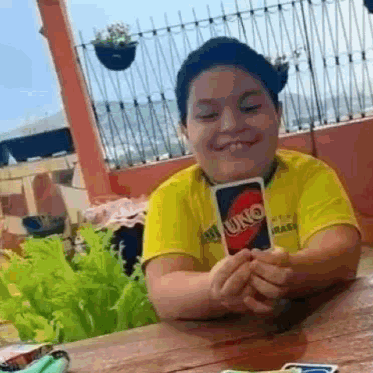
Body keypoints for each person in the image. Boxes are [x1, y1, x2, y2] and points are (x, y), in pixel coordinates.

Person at [143, 36, 361, 321]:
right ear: (185, 129)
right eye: (208, 115)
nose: (231, 125)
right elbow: (164, 291)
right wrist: (214, 289)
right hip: (216, 354)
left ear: (278, 114)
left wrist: (290, 270)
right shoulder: (171, 196)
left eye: (250, 108)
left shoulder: (310, 175)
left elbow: (342, 254)